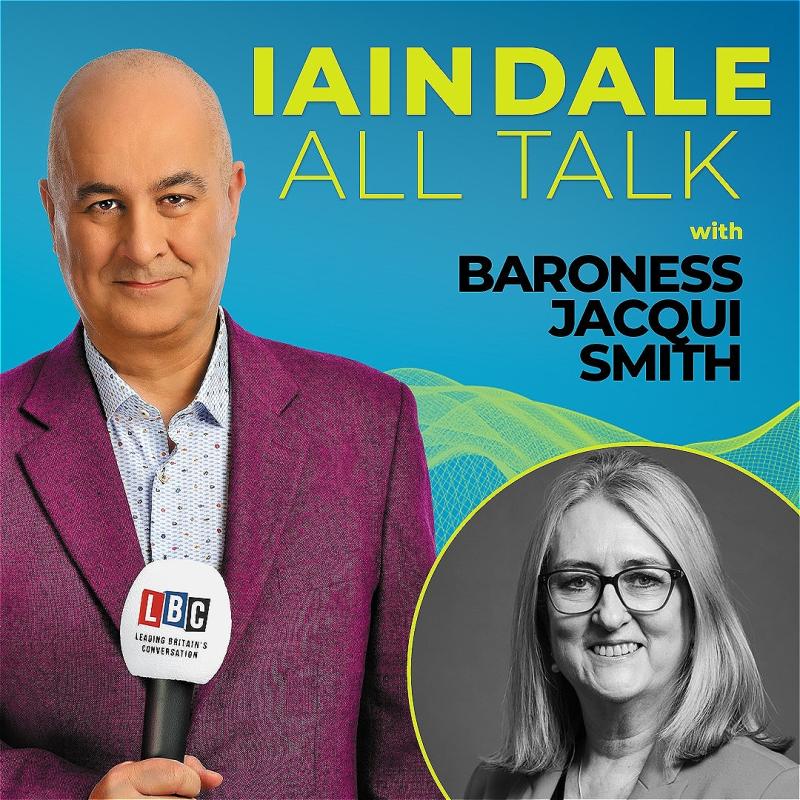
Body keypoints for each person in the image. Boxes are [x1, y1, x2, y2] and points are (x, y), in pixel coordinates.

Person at [0, 50, 437, 799]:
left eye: (174, 199)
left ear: (232, 198)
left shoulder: (371, 427)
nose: (142, 246)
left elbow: (409, 745)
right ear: (52, 213)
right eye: (103, 204)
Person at [465, 449, 799, 800]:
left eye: (643, 579)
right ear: (543, 621)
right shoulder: (491, 788)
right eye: (578, 582)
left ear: (698, 609)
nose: (609, 616)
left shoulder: (774, 790)